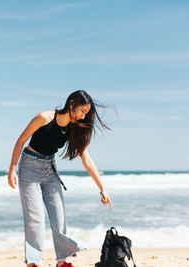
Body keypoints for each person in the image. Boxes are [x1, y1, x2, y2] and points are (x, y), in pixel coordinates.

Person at [8, 90, 113, 267]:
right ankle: (33, 262)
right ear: (71, 103)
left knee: (59, 216)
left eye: (86, 113)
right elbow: (21, 140)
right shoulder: (44, 117)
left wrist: (102, 188)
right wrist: (12, 170)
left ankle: (62, 261)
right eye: (82, 111)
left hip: (50, 169)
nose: (82, 116)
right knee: (35, 218)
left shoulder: (73, 128)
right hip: (29, 167)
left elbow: (86, 159)